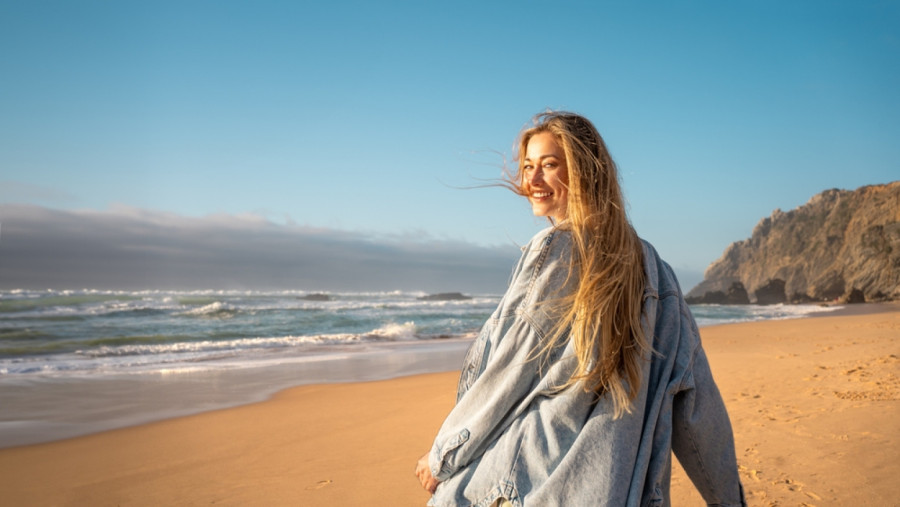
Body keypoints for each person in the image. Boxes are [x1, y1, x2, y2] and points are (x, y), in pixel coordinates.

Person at [415, 111, 745, 506]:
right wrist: (729, 500)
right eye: (527, 166)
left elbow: (509, 370)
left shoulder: (556, 250)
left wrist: (445, 453)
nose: (532, 181)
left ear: (584, 170)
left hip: (520, 486)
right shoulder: (657, 274)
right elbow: (697, 408)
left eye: (549, 165)